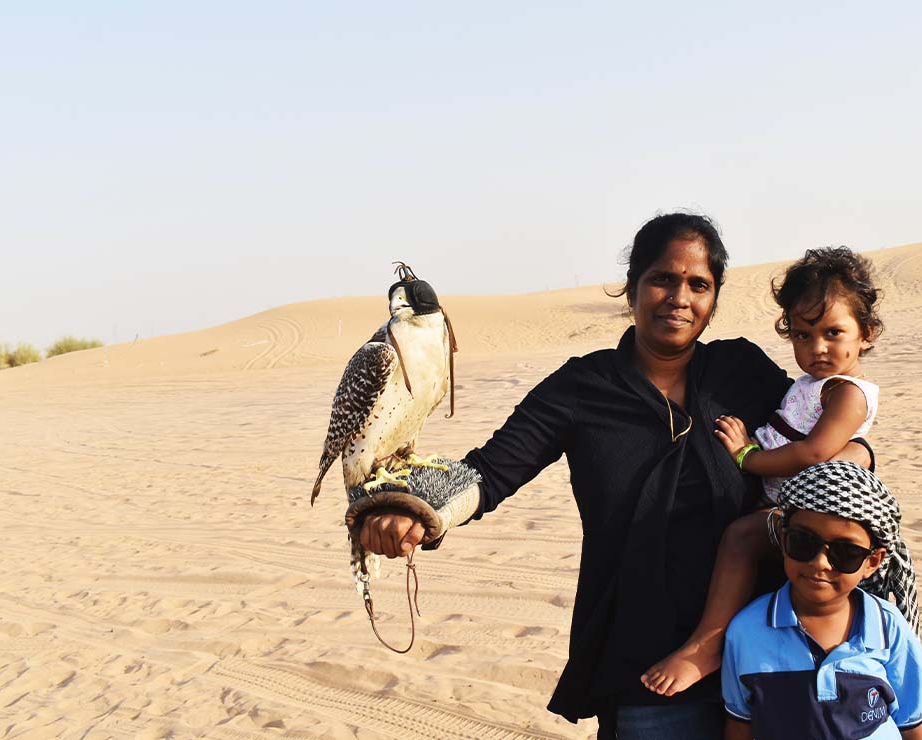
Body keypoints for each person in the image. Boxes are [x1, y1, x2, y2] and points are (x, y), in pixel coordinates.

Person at [358, 213, 874, 739]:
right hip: (648, 667)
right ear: (632, 287)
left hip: (770, 657)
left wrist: (860, 454)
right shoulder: (580, 388)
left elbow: (817, 426)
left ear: (714, 298)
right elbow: (488, 473)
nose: (680, 298)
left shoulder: (741, 369)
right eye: (662, 279)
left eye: (699, 285)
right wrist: (416, 511)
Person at [643, 247, 890, 697]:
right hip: (780, 499)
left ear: (866, 333)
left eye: (833, 333)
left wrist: (747, 457)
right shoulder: (813, 384)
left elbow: (814, 452)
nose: (817, 348)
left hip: (807, 511)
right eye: (802, 335)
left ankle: (707, 646)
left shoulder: (847, 393)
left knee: (740, 538)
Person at [721, 461, 922, 740]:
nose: (820, 563)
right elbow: (739, 725)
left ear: (872, 562)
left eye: (846, 552)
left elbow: (913, 726)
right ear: (783, 541)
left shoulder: (888, 628)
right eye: (803, 542)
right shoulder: (746, 631)